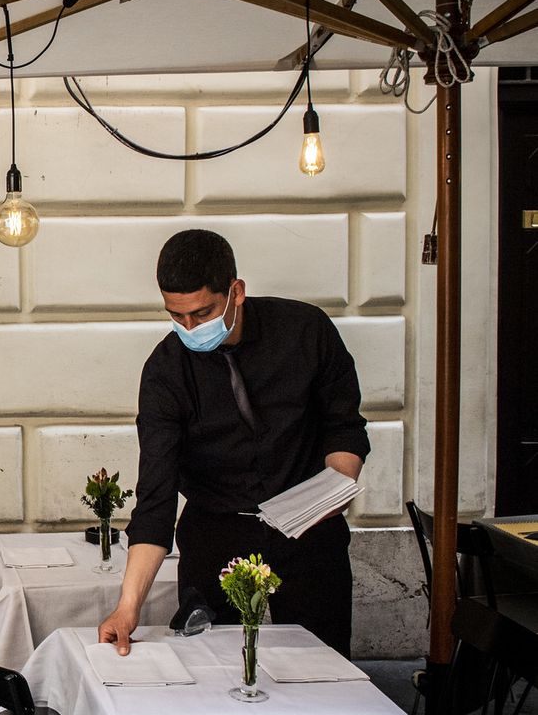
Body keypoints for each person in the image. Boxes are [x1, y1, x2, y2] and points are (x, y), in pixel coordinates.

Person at [98, 229, 370, 656]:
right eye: (176, 315)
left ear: (236, 292)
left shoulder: (306, 331)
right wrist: (127, 607)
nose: (189, 327)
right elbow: (156, 497)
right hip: (215, 532)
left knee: (320, 664)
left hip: (308, 532)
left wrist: (332, 491)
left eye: (202, 313)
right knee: (206, 663)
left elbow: (345, 427)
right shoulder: (165, 372)